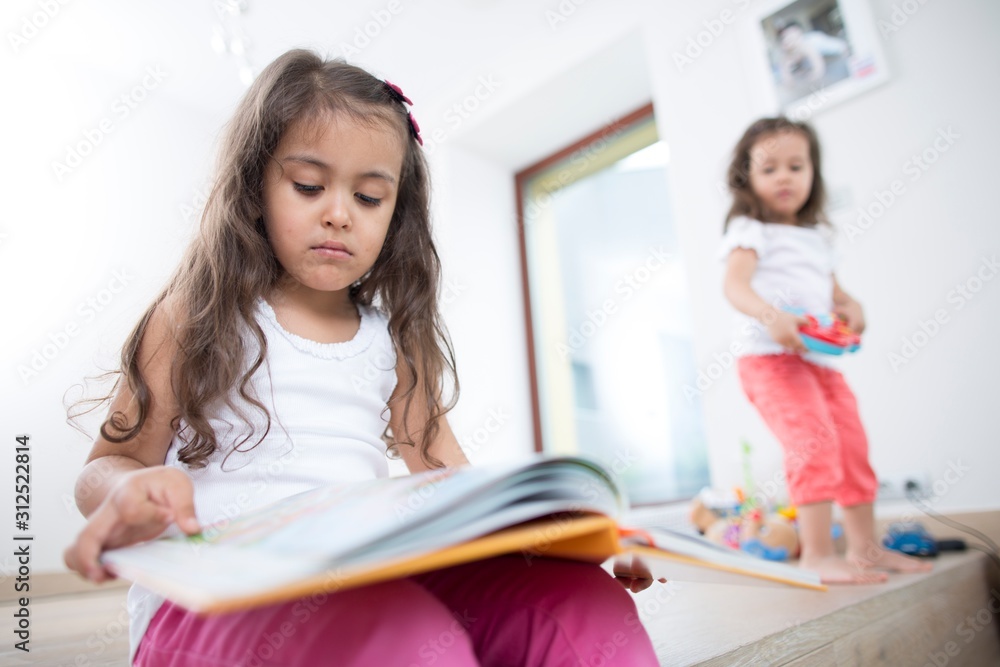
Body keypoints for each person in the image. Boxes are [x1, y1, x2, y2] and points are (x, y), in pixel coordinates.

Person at [63, 49, 660, 666]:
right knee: (394, 636)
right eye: (307, 187)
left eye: (370, 197)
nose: (339, 214)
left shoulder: (394, 339)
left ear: (394, 213)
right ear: (254, 187)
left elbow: (446, 477)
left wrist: (574, 538)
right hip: (211, 601)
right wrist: (130, 490)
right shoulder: (196, 313)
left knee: (579, 603)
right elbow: (108, 464)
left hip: (364, 579)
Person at [719, 117, 932, 584]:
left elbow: (836, 295)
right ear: (747, 177)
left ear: (812, 172)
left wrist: (852, 307)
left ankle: (865, 550)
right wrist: (772, 317)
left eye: (796, 165)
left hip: (818, 361)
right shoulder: (750, 228)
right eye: (769, 167)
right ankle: (815, 554)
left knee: (852, 445)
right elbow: (734, 286)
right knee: (812, 441)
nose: (784, 176)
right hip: (769, 361)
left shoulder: (817, 238)